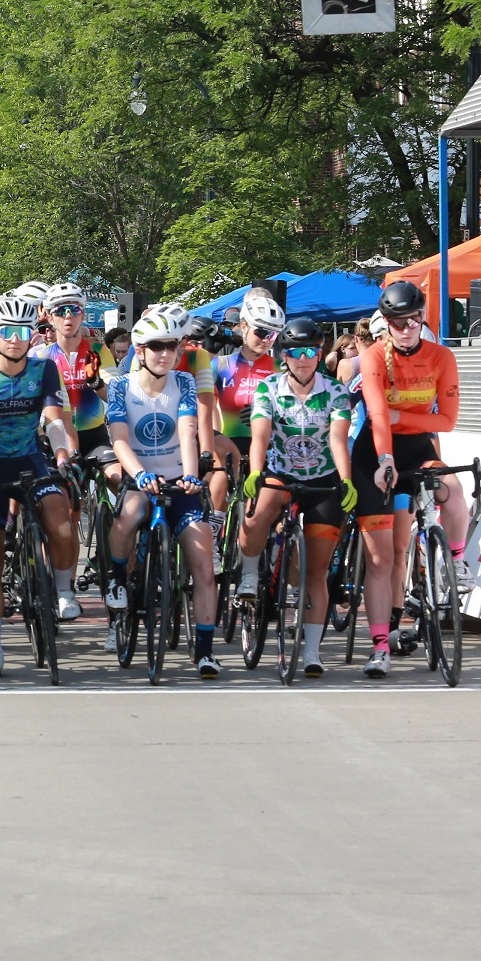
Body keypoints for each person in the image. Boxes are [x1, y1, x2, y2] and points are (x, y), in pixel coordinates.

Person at [0, 293, 75, 678]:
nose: (14, 338)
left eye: (22, 331)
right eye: (6, 331)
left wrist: (61, 455)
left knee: (59, 515)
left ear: (31, 335)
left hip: (31, 460)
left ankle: (62, 591)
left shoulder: (44, 370)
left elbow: (54, 419)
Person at [351, 278, 464, 679]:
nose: (405, 328)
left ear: (421, 318)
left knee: (452, 489)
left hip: (417, 447)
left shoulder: (441, 357)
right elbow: (379, 415)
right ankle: (380, 644)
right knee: (383, 559)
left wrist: (405, 418)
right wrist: (384, 458)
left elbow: (446, 422)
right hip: (375, 452)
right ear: (387, 322)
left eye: (412, 320)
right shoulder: (373, 357)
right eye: (397, 322)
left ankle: (455, 561)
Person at [236, 315, 357, 679]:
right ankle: (249, 574)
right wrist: (256, 471)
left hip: (322, 479)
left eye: (311, 352)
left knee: (315, 572)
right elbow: (259, 436)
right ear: (284, 356)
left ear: (320, 354)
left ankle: (311, 650)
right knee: (257, 515)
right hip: (281, 472)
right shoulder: (268, 389)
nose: (303, 358)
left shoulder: (336, 392)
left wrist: (347, 480)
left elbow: (337, 439)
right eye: (295, 352)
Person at [103, 306, 217, 673]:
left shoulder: (183, 383)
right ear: (140, 350)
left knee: (204, 564)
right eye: (156, 346)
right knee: (128, 514)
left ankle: (203, 651)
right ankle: (118, 579)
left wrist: (191, 474)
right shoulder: (121, 386)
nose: (165, 353)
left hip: (177, 480)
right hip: (141, 477)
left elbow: (187, 430)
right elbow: (120, 441)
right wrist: (138, 474)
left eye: (171, 346)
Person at [31, 282, 107, 618]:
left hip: (95, 434)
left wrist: (97, 382)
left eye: (73, 310)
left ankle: (115, 545)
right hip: (56, 438)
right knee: (70, 514)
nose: (67, 317)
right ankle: (67, 588)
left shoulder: (99, 350)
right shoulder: (40, 356)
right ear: (48, 315)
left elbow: (116, 399)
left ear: (82, 313)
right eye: (60, 310)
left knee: (121, 482)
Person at [207, 291, 281, 520]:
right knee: (220, 470)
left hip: (269, 446)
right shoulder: (221, 364)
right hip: (230, 444)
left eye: (274, 334)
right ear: (244, 327)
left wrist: (273, 413)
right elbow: (199, 402)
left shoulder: (281, 367)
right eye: (262, 331)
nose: (267, 339)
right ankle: (215, 528)